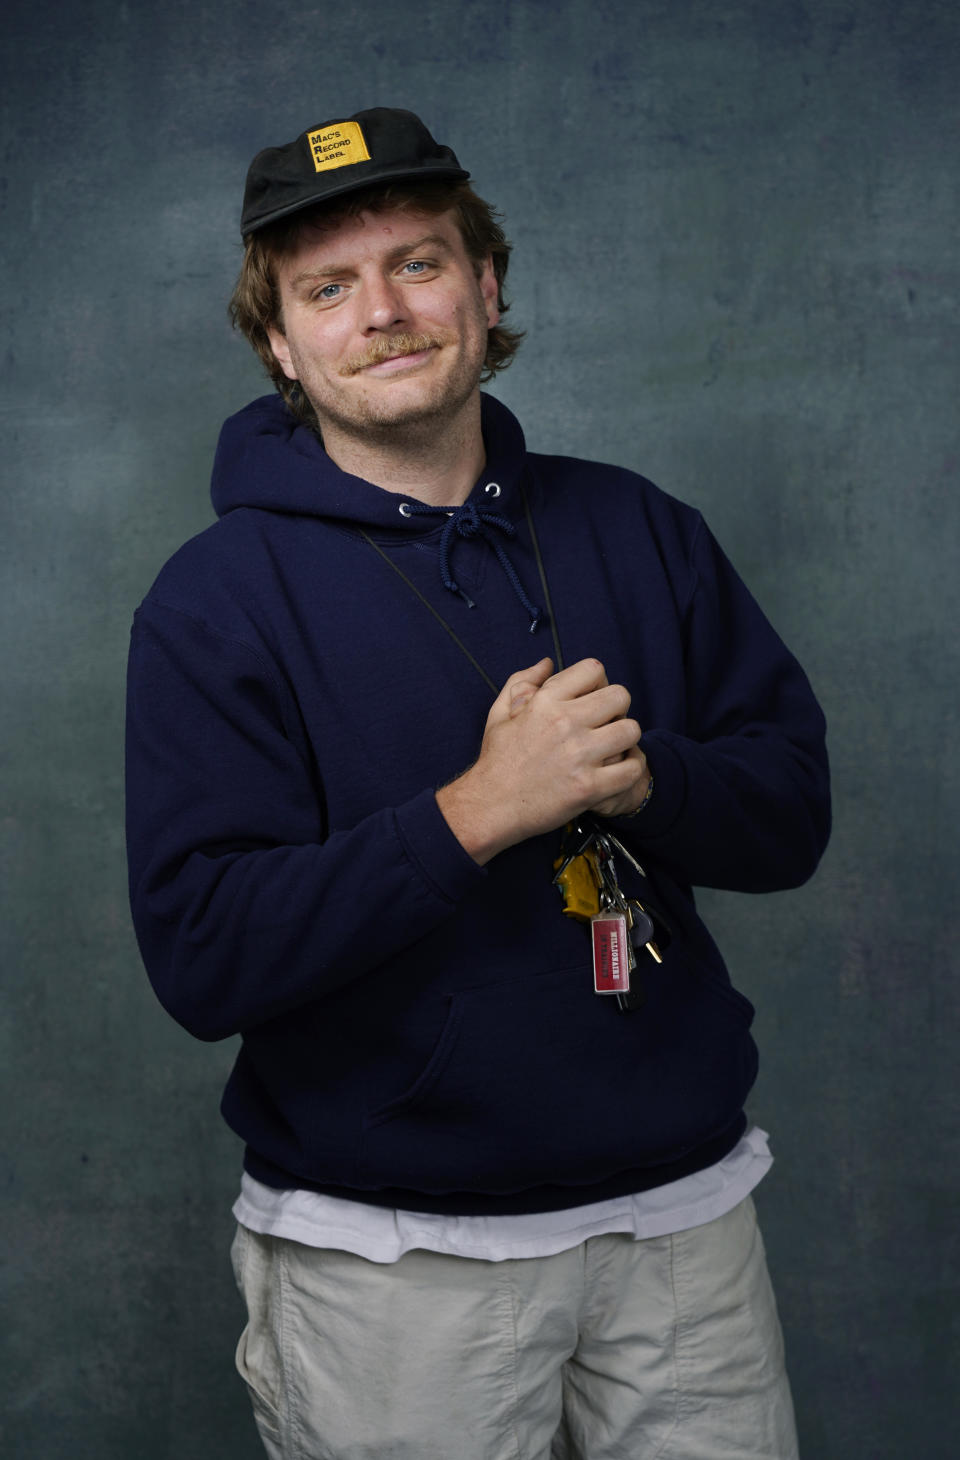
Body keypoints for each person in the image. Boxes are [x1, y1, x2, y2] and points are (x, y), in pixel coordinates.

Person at [125, 106, 830, 1459]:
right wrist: (478, 813)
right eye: (329, 288)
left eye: (419, 264)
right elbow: (205, 959)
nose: (381, 312)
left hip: (685, 1230)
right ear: (280, 340)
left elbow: (791, 813)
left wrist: (637, 780)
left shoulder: (639, 526)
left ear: (486, 285)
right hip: (399, 1267)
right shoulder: (217, 602)